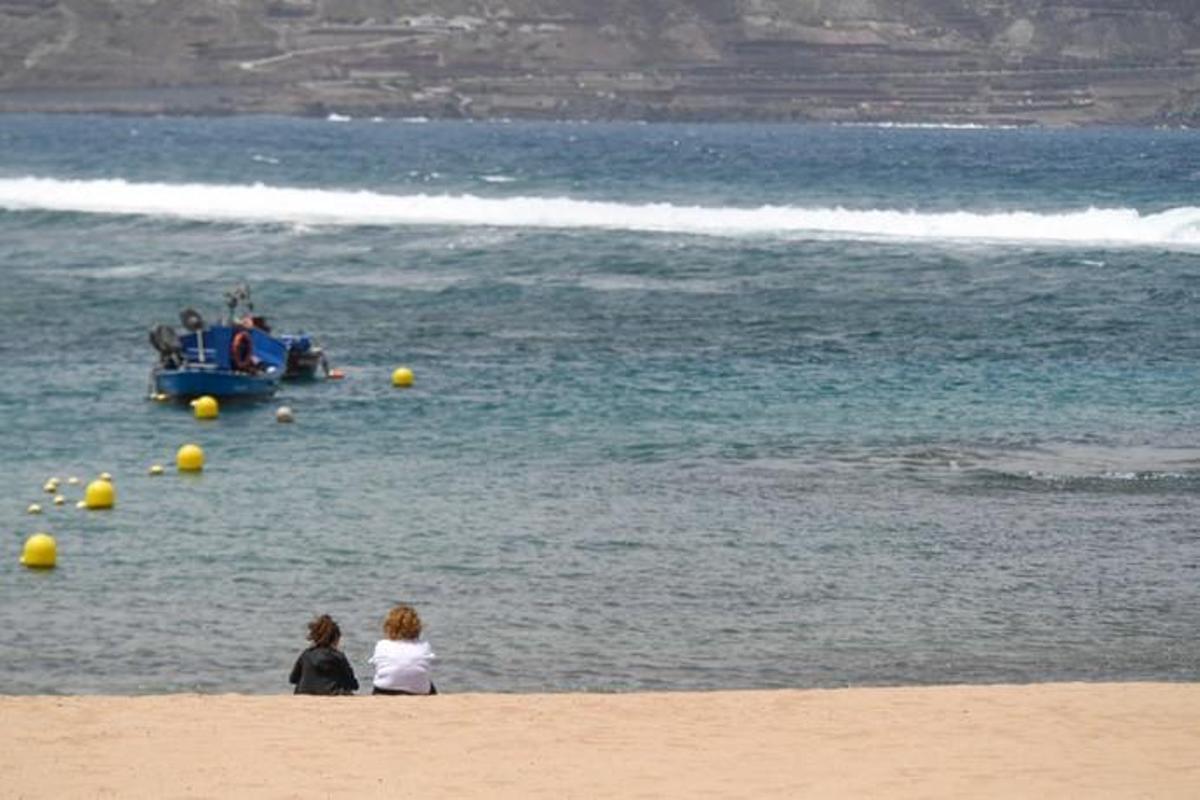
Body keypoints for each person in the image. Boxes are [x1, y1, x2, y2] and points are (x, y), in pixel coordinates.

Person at [368, 604, 437, 695]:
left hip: (384, 689)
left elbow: (379, 667)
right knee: (426, 679)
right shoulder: (424, 645)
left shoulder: (382, 645)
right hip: (418, 690)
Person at [289, 614, 359, 695]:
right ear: (335, 638)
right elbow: (353, 684)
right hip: (331, 693)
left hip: (304, 692)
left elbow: (293, 679)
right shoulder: (338, 656)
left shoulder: (306, 654)